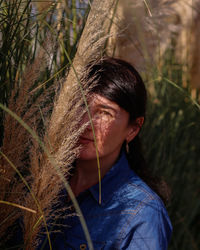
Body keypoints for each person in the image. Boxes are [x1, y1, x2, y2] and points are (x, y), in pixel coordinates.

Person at [39, 57, 172, 249]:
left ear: (133, 129)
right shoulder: (37, 185)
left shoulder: (142, 213)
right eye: (81, 105)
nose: (86, 123)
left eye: (104, 113)